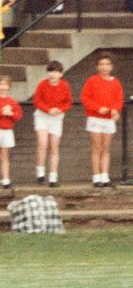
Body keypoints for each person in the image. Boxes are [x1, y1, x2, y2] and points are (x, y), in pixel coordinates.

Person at [80, 52, 124, 188]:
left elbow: (119, 100)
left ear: (111, 67)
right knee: (96, 148)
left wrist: (115, 110)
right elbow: (85, 98)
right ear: (97, 66)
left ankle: (105, 177)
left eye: (107, 64)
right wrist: (98, 108)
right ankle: (96, 177)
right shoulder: (92, 81)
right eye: (101, 64)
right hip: (95, 118)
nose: (104, 67)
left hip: (108, 120)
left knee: (106, 148)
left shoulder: (116, 82)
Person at [33, 60, 73, 187]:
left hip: (56, 117)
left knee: (54, 147)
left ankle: (53, 177)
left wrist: (59, 110)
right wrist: (48, 109)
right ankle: (40, 175)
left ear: (61, 74)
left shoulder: (65, 86)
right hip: (42, 116)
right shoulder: (42, 84)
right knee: (42, 143)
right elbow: (37, 101)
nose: (53, 74)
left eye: (56, 72)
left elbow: (68, 102)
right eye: (50, 71)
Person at [0, 75, 23, 189]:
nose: (3, 87)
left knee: (5, 156)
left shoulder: (11, 101)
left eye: (5, 84)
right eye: (0, 84)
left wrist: (11, 114)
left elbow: (18, 115)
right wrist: (1, 111)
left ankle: (6, 180)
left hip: (7, 131)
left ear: (8, 86)